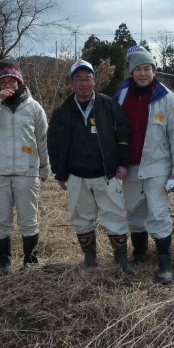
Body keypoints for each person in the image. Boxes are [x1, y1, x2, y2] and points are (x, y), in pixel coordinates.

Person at [47, 60, 134, 274]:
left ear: (95, 80)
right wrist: (59, 171)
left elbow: (123, 134)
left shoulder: (109, 105)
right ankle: (89, 257)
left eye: (88, 78)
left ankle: (121, 258)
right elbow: (53, 143)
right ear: (71, 83)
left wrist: (123, 163)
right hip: (76, 175)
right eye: (79, 79)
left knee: (114, 215)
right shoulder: (62, 111)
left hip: (106, 173)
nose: (84, 83)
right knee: (81, 216)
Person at [114, 45, 174, 284]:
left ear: (154, 71)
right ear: (131, 72)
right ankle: (139, 251)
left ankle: (165, 260)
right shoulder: (122, 94)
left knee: (157, 211)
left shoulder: (167, 98)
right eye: (138, 69)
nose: (143, 73)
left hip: (157, 164)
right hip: (130, 165)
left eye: (147, 68)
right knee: (134, 209)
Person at [0, 59, 50, 273]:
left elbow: (42, 139)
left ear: (19, 81)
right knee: (2, 220)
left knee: (28, 219)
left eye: (12, 80)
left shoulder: (34, 108)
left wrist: (45, 167)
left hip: (27, 171)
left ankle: (30, 260)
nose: (8, 84)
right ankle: (4, 261)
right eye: (3, 81)